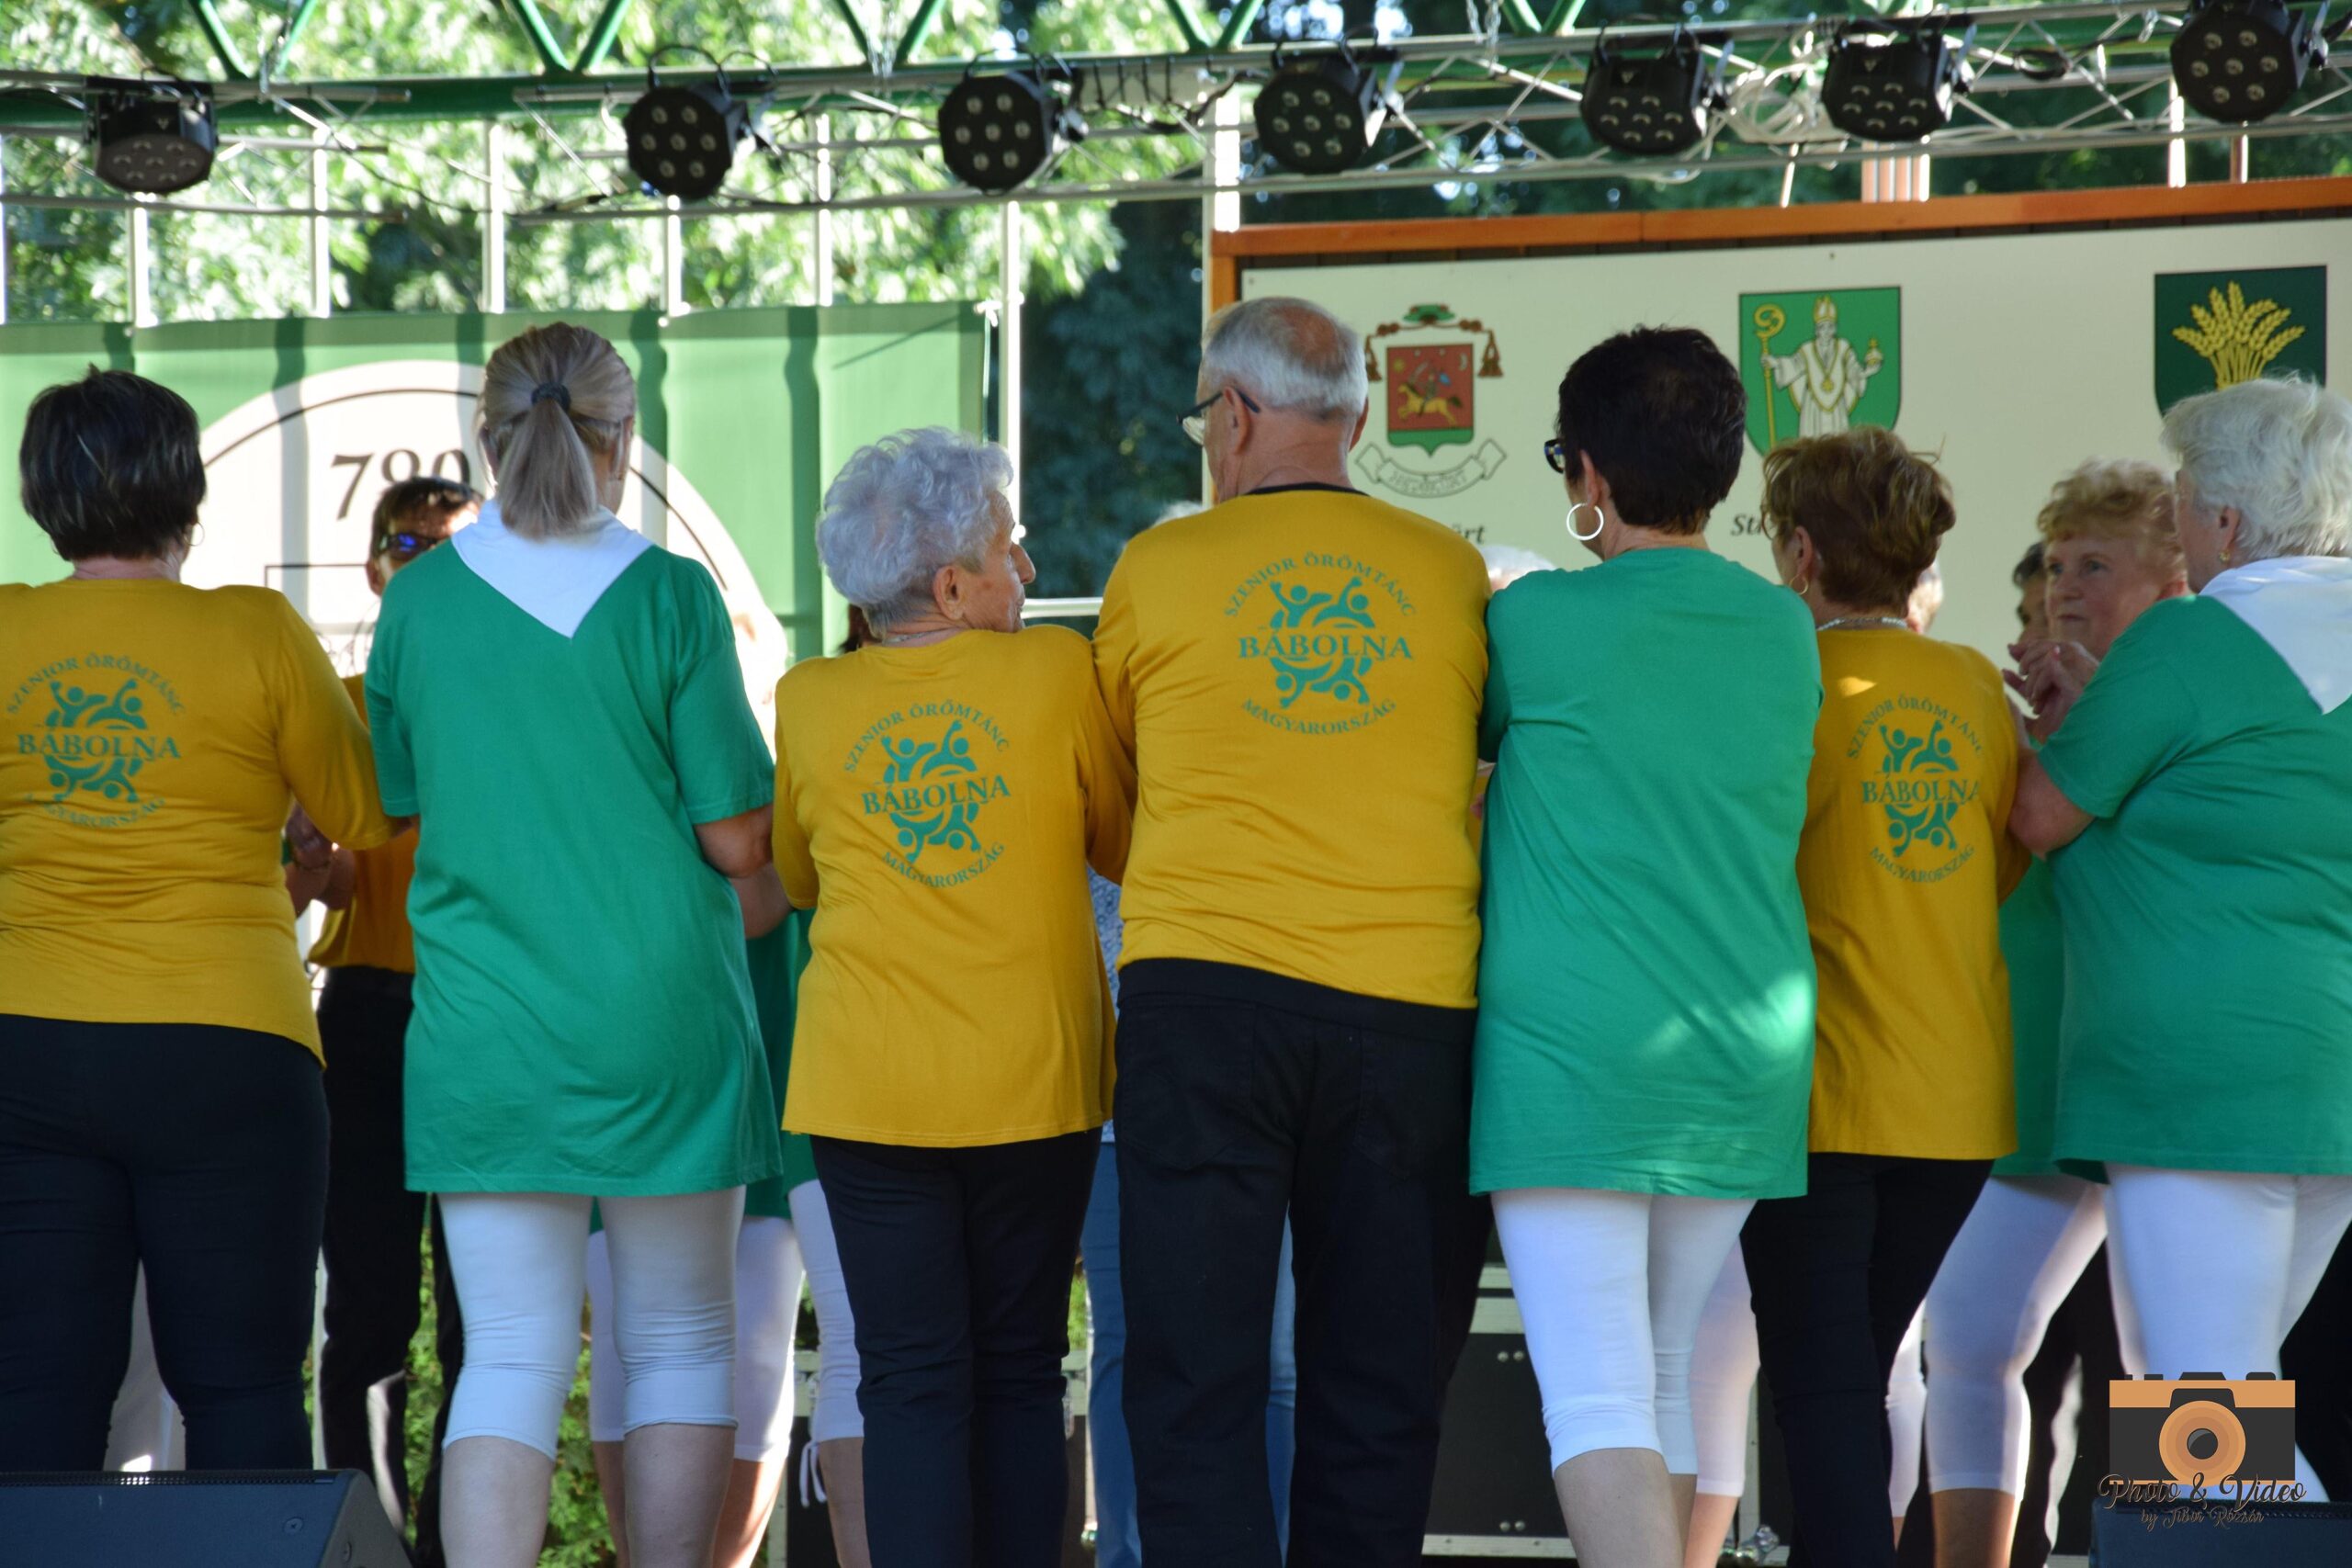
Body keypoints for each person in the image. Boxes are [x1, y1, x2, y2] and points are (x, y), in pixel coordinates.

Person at [368, 323, 785, 1568]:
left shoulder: (420, 599)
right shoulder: (671, 594)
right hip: (664, 1021)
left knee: (507, 1354)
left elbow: (401, 794)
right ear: (624, 438)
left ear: (486, 441)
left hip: (485, 1029)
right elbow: (735, 835)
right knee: (681, 1340)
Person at [1094, 296, 1493, 1568]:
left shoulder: (1157, 568)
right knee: (1380, 1389)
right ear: (1357, 423)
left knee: (1192, 1382)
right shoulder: (1448, 572)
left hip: (1203, 1005)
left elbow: (1114, 789)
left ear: (1235, 415)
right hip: (1408, 1010)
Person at [0, 368, 392, 1469]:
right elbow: (361, 812)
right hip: (231, 1049)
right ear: (187, 491)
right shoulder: (257, 632)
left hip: (28, 1050)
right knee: (243, 1392)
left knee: (34, 1396)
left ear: (42, 496)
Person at [1474, 326, 1819, 1568]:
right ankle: (2248, 1524)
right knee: (1662, 1374)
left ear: (1591, 474)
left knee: (1600, 1395)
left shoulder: (1536, 622)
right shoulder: (1784, 626)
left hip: (1577, 1054)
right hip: (1739, 1058)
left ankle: (2245, 1526)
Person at [774, 426, 1132, 1568]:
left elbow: (795, 879)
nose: (1025, 567)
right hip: (1034, 1084)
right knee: (1021, 1370)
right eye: (1008, 547)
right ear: (950, 587)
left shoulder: (807, 699)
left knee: (908, 1380)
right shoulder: (1056, 672)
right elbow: (1120, 841)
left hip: (865, 1092)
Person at [2011, 378, 2352, 1495]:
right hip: (2328, 1085)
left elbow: (2039, 816)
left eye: (2185, 498)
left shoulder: (2186, 639)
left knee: (2207, 1412)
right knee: (2204, 1397)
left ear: (2228, 522)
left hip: (2191, 1080)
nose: (2176, 517)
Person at [1747, 425, 2021, 1568]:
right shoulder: (1971, 682)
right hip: (1954, 1106)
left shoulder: (1783, 680)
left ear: (1803, 555)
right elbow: (2001, 863)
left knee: (1825, 1391)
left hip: (1825, 1096)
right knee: (1853, 1373)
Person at [1921, 465, 2179, 1567]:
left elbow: (2043, 818)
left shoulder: (2198, 687)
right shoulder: (2053, 709)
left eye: (2094, 566)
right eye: (2056, 567)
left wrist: (2056, 729)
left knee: (2188, 1364)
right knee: (1967, 1335)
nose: (2064, 588)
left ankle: (2211, 1553)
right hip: (2053, 1075)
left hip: (2181, 1079)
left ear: (2174, 578)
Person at [586, 611, 881, 1568]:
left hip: (781, 1075)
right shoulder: (613, 766)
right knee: (639, 1353)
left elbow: (763, 894)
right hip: (651, 1083)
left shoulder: (788, 751)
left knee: (755, 1357)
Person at [293, 475, 476, 1560]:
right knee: (365, 1318)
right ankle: (368, 1549)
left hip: (485, 1016)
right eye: (413, 544)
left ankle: (463, 1543)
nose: (434, 562)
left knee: (481, 1321)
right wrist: (309, 863)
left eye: (457, 546)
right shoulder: (342, 706)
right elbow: (331, 878)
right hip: (369, 1016)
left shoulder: (510, 700)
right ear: (374, 568)